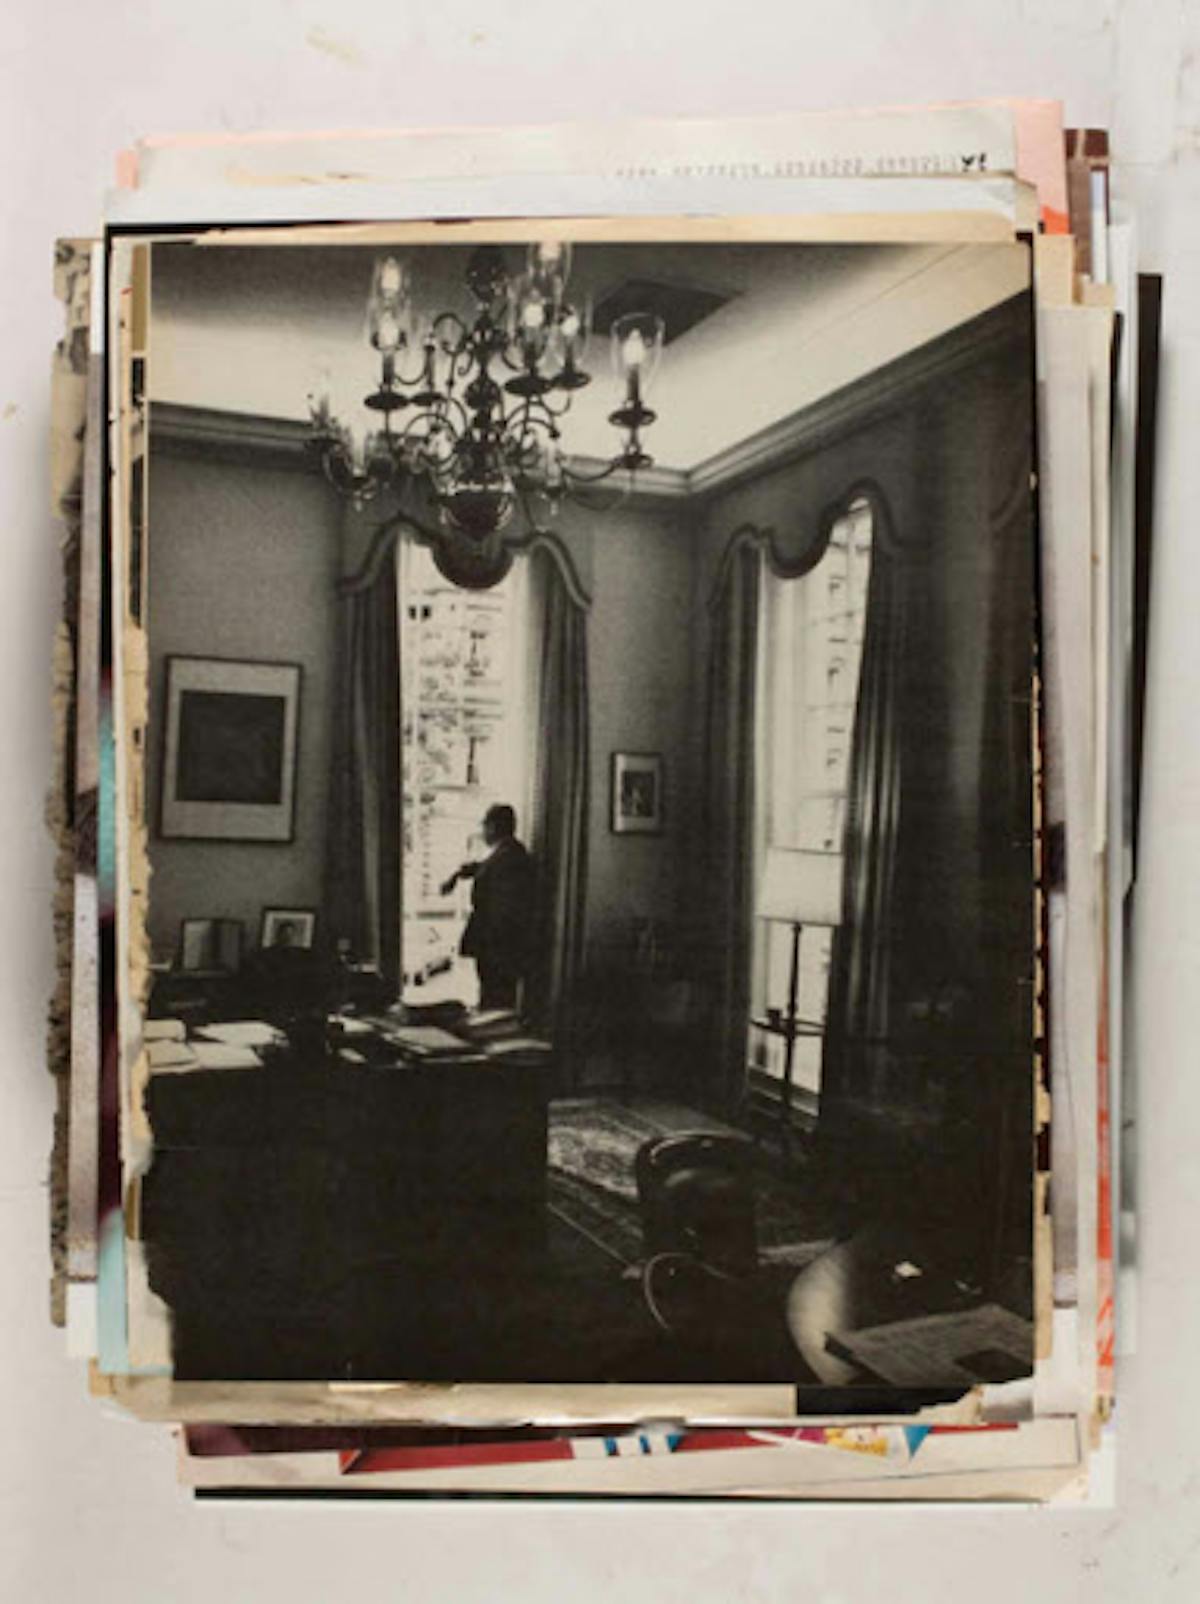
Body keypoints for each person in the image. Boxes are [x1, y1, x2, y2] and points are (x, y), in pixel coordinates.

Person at [441, 803, 535, 1011]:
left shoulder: (508, 856)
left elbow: (505, 906)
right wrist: (457, 875)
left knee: (496, 996)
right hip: (496, 940)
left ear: (493, 826)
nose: (483, 831)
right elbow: (482, 867)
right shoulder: (506, 853)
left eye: (484, 825)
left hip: (499, 942)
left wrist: (492, 939)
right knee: (491, 991)